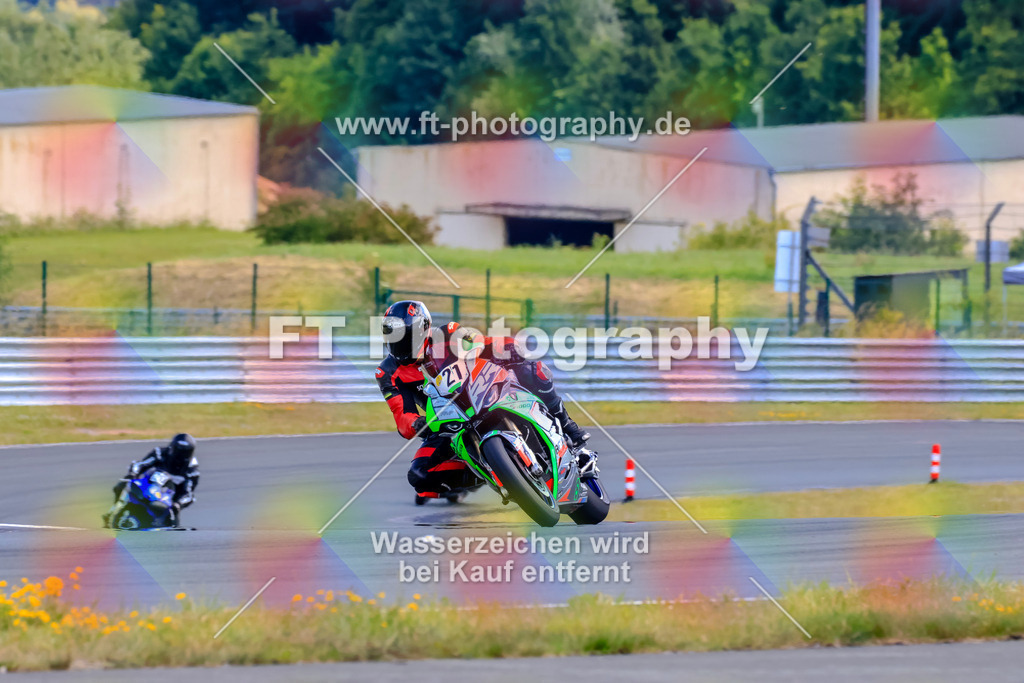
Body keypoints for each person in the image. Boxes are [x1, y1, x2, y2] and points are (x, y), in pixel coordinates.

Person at [375, 300, 592, 502]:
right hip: (445, 423)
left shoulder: (448, 333)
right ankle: (490, 473)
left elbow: (481, 342)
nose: (400, 344)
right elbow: (401, 412)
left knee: (533, 370)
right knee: (420, 476)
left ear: (422, 330)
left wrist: (507, 347)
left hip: (480, 390)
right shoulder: (388, 372)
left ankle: (567, 424)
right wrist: (416, 423)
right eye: (393, 337)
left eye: (405, 336)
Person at [104, 433, 200, 526]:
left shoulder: (192, 470)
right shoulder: (160, 453)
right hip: (149, 486)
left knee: (173, 521)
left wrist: (178, 505)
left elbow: (189, 495)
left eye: (184, 453)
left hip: (169, 500)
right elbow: (140, 464)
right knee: (122, 484)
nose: (179, 456)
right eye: (178, 452)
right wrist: (133, 474)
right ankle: (112, 512)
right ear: (172, 448)